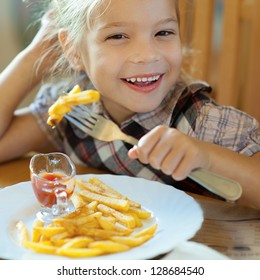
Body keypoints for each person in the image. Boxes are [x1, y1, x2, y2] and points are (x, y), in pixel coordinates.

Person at [0, 0, 260, 209]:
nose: (148, 55)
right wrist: (32, 60)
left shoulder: (200, 120)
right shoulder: (72, 108)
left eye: (163, 32)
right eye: (118, 36)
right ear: (73, 50)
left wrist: (206, 156)